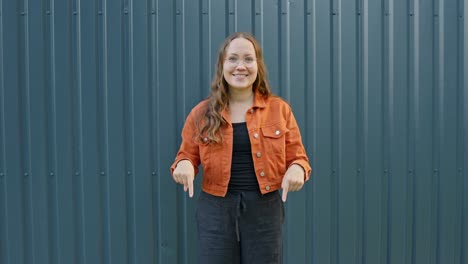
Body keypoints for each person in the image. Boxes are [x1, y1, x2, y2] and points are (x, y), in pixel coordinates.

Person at [170, 32, 311, 264]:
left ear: (258, 65)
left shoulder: (279, 110)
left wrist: (296, 170)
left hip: (265, 210)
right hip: (215, 210)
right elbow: (186, 155)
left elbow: (299, 158)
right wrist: (184, 165)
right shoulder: (201, 113)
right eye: (233, 59)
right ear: (222, 66)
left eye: (248, 59)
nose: (240, 66)